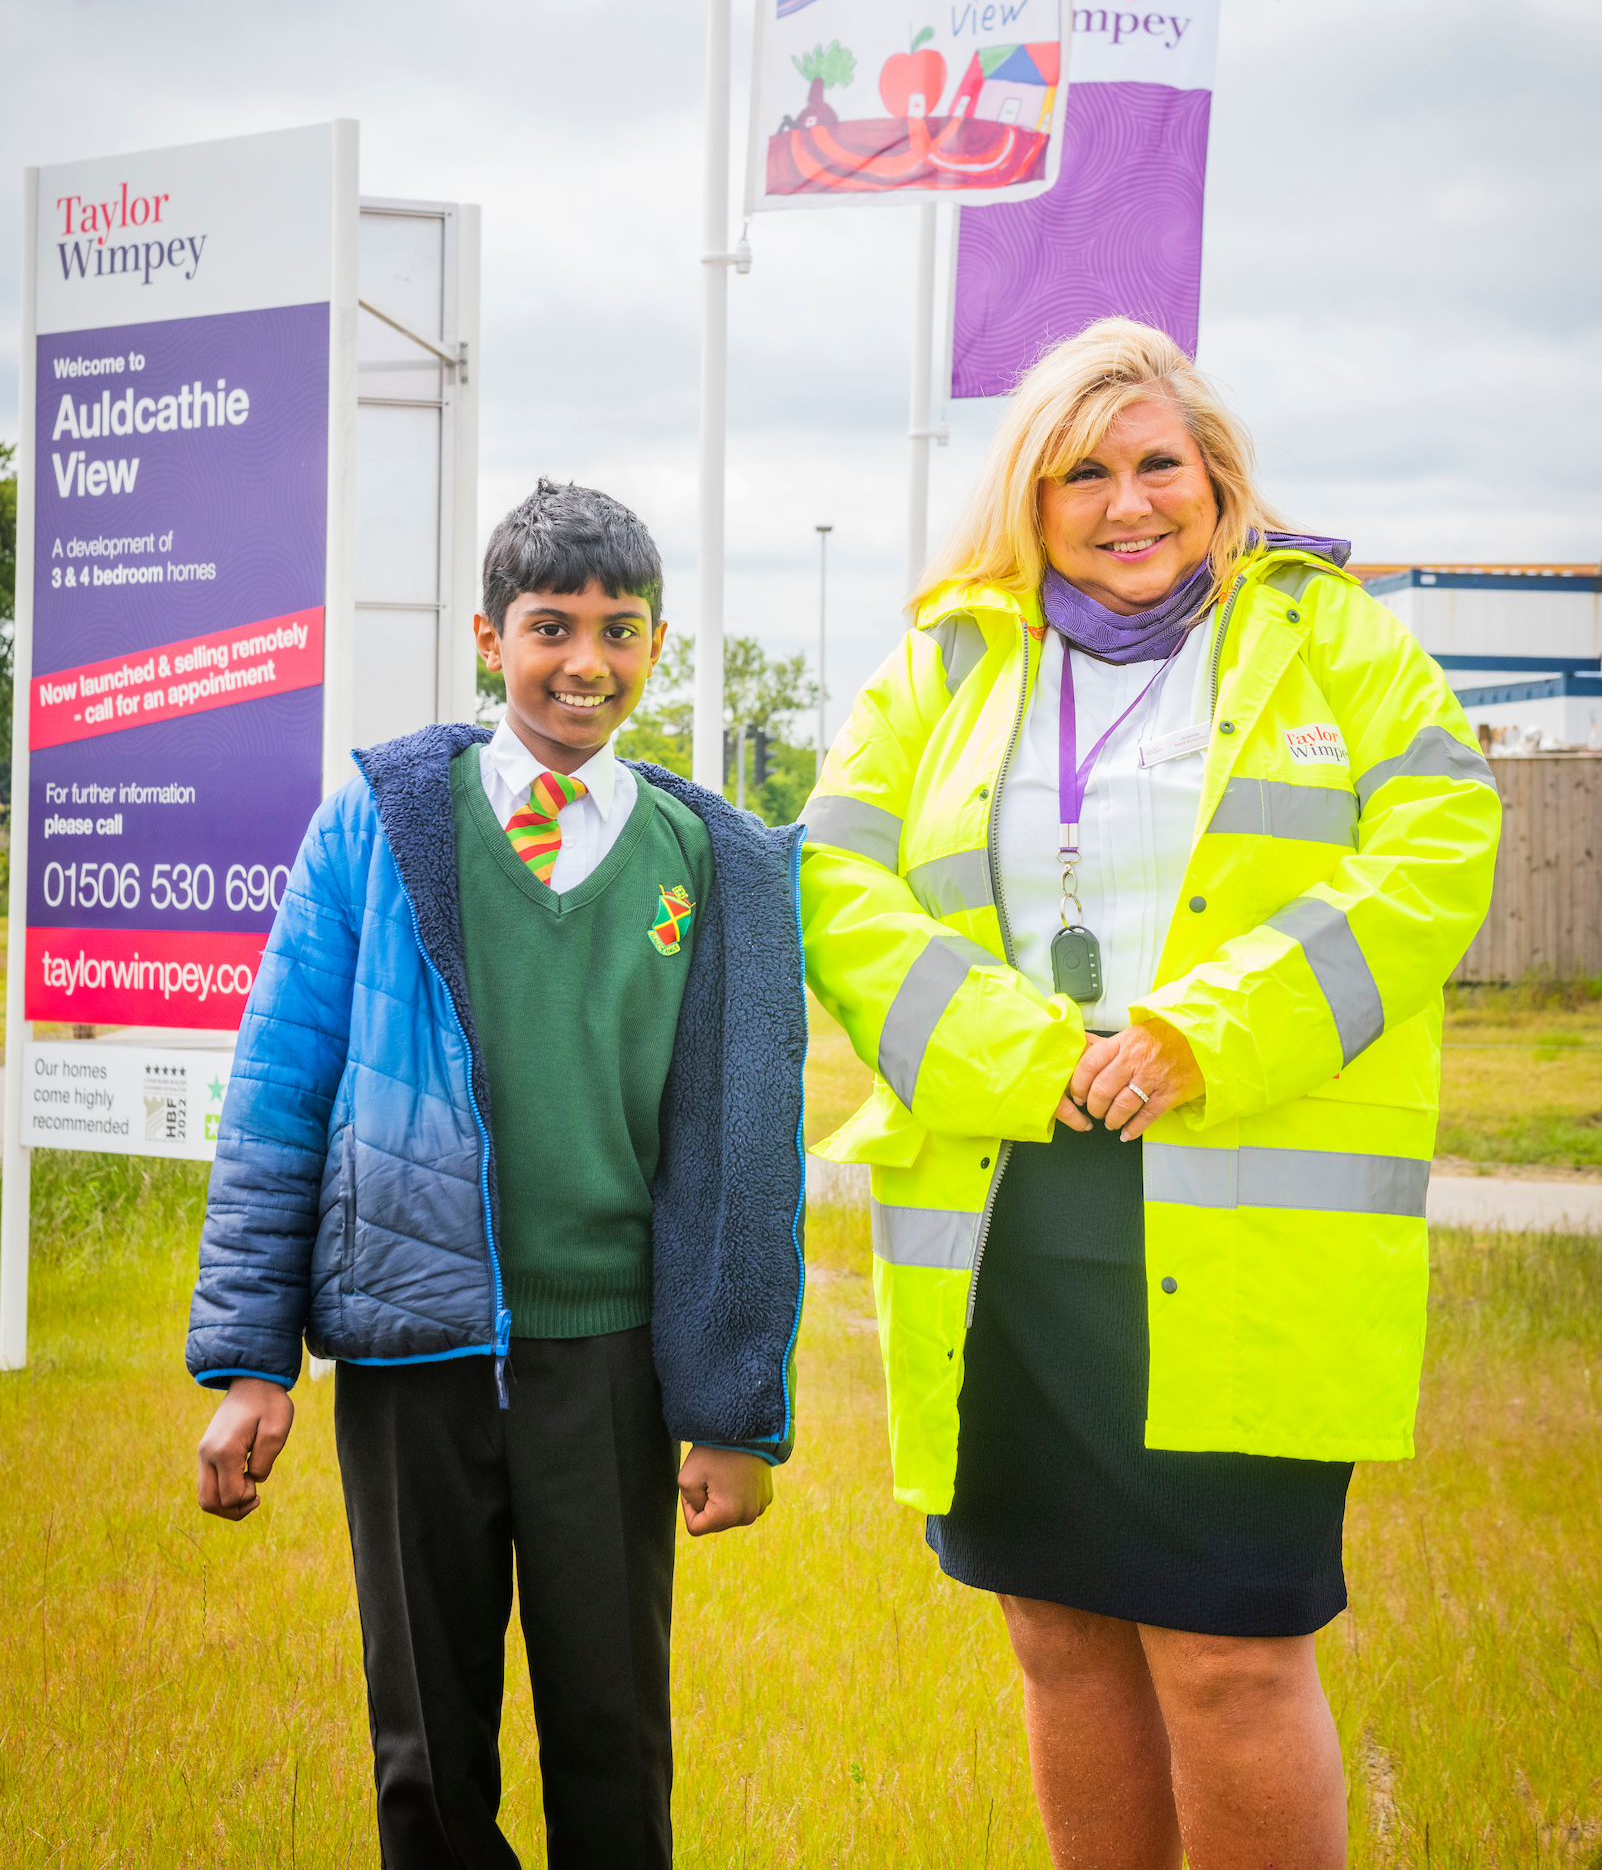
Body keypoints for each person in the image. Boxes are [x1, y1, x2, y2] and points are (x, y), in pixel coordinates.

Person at [801, 320, 1499, 1870]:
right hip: (1012, 1213)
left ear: (1215, 478)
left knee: (1229, 1653)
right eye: (1083, 474)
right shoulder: (948, 657)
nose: (1128, 503)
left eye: (1157, 465)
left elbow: (1440, 849)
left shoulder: (1335, 641)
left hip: (1240, 1219)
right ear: (1031, 499)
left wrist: (1204, 1034)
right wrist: (1010, 1050)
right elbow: (834, 878)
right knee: (1057, 1635)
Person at [188, 478, 807, 1870]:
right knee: (424, 1739)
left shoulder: (711, 858)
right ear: (488, 637)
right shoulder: (381, 820)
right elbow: (279, 1091)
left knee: (612, 1735)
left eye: (621, 630)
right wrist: (249, 1361)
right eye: (549, 627)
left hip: (612, 1359)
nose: (585, 662)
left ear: (656, 644)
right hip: (415, 1350)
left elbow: (743, 1150)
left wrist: (735, 1412)